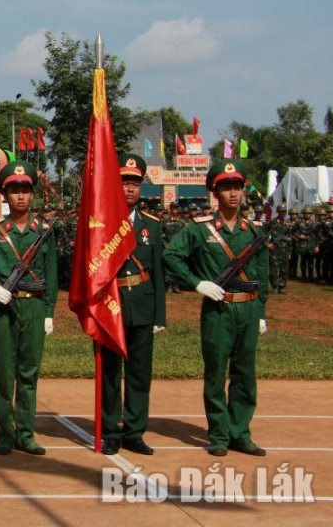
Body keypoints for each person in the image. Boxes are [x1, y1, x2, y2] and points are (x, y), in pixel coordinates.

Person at [164, 159, 269, 457]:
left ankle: (241, 433)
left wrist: (260, 312)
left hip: (247, 309)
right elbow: (172, 257)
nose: (233, 194)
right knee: (216, 374)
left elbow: (262, 275)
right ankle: (220, 435)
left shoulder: (254, 230)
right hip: (218, 309)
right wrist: (197, 283)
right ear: (215, 192)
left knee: (245, 374)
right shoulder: (199, 229)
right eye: (226, 188)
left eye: (237, 187)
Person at [0, 160, 57, 456]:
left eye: (25, 191)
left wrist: (49, 313)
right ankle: (6, 432)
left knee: (29, 374)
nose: (20, 196)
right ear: (5, 196)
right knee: (5, 375)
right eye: (14, 191)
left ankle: (26, 434)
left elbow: (52, 275)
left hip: (34, 308)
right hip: (4, 310)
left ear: (32, 195)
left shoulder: (43, 231)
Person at [101, 155, 166, 456]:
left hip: (141, 303)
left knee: (139, 372)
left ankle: (135, 431)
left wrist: (159, 314)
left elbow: (158, 272)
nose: (129, 189)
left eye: (134, 183)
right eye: (124, 183)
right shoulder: (100, 222)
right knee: (111, 372)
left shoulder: (151, 225)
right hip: (110, 304)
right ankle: (110, 428)